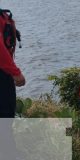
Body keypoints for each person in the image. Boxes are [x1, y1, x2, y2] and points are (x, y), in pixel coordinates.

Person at [0, 8, 26, 159]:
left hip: (5, 73)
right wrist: (15, 72)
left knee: (7, 111)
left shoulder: (3, 16)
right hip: (3, 73)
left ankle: (8, 150)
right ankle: (8, 153)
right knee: (5, 112)